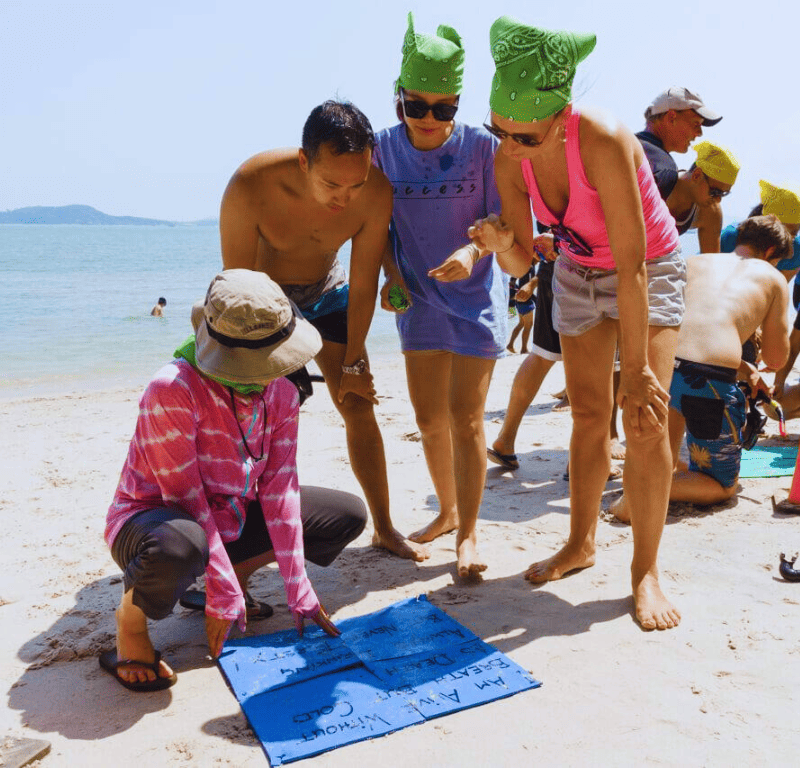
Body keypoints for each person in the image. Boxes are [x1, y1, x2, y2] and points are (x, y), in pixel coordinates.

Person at [471, 17, 685, 630]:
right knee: (590, 415)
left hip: (647, 267)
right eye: (498, 131)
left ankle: (645, 571)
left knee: (643, 419)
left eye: (523, 136)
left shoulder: (604, 138)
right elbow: (518, 259)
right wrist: (496, 244)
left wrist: (639, 370)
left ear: (561, 115)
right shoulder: (510, 153)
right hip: (574, 270)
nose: (508, 147)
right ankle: (581, 543)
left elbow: (635, 261)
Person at [100, 270, 367, 691]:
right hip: (156, 520)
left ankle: (222, 586)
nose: (265, 374)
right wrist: (222, 586)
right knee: (180, 545)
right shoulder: (172, 388)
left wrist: (299, 587)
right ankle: (130, 624)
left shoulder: (282, 391)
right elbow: (184, 498)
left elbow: (281, 487)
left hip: (231, 515)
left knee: (345, 514)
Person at [220, 101, 426, 561]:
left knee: (357, 400)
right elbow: (236, 286)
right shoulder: (251, 184)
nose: (344, 197)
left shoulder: (374, 192)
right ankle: (241, 539)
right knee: (258, 419)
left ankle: (386, 528)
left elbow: (364, 279)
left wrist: (354, 359)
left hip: (327, 288)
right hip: (264, 299)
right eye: (331, 183)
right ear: (303, 160)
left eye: (355, 184)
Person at [374, 14, 522, 578]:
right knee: (430, 421)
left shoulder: (484, 150)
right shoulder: (382, 151)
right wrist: (390, 275)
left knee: (466, 420)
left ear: (458, 104)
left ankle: (468, 534)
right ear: (399, 99)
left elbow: (501, 221)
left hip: (478, 298)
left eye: (444, 108)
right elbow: (376, 229)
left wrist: (474, 252)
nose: (430, 119)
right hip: (417, 300)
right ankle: (448, 509)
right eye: (418, 105)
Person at [611, 216, 790, 516]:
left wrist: (745, 368)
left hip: (663, 362)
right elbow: (776, 357)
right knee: (722, 485)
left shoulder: (697, 262)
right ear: (771, 251)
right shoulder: (773, 279)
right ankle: (645, 493)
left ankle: (642, 483)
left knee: (664, 453)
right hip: (708, 379)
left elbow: (690, 330)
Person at [637, 87, 722, 201]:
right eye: (696, 124)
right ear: (672, 118)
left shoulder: (627, 144)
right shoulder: (664, 169)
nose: (699, 133)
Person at [664, 141, 739, 252]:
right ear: (697, 175)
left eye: (724, 193)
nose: (718, 200)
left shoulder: (710, 211)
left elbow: (711, 262)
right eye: (715, 192)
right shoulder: (659, 187)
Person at [721, 181, 800, 287]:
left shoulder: (796, 252)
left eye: (793, 234)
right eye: (783, 232)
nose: (787, 240)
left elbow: (774, 294)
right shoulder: (731, 238)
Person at [507, 265, 537, 353]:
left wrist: (513, 298)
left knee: (521, 324)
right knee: (528, 325)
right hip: (526, 299)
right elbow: (530, 284)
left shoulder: (521, 265)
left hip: (519, 300)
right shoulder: (530, 266)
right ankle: (524, 349)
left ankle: (510, 345)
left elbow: (512, 282)